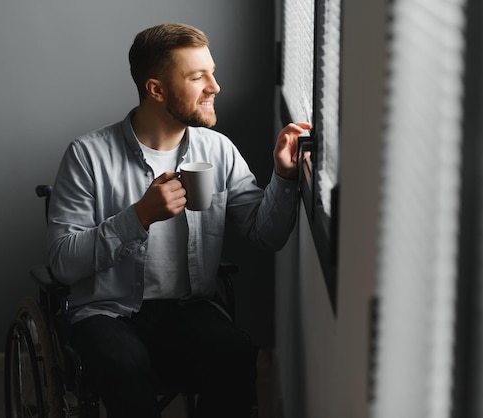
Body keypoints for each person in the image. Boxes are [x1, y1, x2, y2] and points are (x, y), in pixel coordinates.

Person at [46, 22, 311, 418]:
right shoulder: (87, 156)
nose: (214, 86)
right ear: (156, 89)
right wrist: (139, 216)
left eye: (212, 72)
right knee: (124, 368)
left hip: (187, 309)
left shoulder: (217, 150)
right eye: (197, 76)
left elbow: (265, 233)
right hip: (108, 313)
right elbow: (62, 262)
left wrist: (284, 176)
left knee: (235, 354)